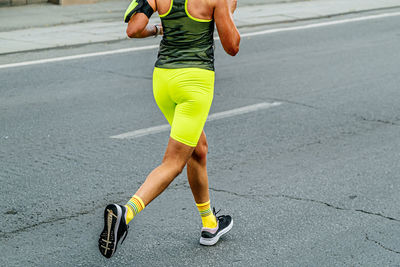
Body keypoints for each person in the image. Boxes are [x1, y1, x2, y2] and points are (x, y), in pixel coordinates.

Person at [99, 0, 240, 259]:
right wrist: (227, 10)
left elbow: (134, 29)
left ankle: (209, 224)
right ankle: (125, 213)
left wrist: (158, 30)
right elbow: (232, 46)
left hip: (163, 81)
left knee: (198, 150)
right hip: (194, 84)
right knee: (174, 162)